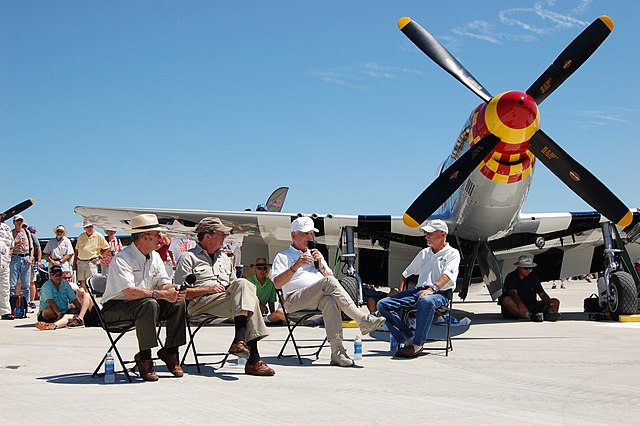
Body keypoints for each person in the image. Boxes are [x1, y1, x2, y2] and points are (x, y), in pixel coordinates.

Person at [272, 217, 386, 367]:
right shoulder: (283, 256)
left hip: (317, 299)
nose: (310, 237)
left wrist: (321, 265)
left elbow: (330, 281)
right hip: (294, 301)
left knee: (329, 300)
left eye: (311, 233)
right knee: (329, 283)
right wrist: (297, 265)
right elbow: (277, 283)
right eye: (306, 234)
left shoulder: (315, 254)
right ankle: (362, 320)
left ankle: (337, 351)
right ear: (294, 236)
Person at [175, 217, 275, 377]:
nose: (225, 238)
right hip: (200, 304)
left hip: (224, 301)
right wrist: (207, 289)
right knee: (250, 300)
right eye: (221, 234)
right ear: (207, 236)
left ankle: (240, 343)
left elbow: (236, 285)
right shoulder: (189, 258)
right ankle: (253, 359)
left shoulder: (225, 258)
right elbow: (179, 293)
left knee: (247, 294)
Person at [101, 214, 186, 382]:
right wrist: (161, 294)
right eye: (157, 235)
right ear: (145, 237)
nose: (161, 239)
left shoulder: (154, 257)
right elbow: (129, 292)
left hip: (143, 304)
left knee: (177, 302)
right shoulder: (123, 258)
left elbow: (162, 283)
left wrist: (174, 289)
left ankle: (170, 351)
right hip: (116, 308)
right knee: (149, 303)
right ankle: (145, 357)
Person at [377, 219, 461, 358]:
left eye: (430, 233)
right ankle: (407, 337)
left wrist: (432, 289)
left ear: (442, 234)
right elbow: (405, 274)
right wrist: (401, 293)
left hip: (439, 293)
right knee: (383, 305)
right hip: (419, 291)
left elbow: (447, 275)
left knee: (426, 301)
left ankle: (417, 345)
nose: (426, 236)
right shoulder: (424, 253)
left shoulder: (452, 253)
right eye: (425, 233)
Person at [499, 255, 561, 322]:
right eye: (526, 268)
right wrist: (520, 305)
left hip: (531, 305)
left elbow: (542, 294)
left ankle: (550, 314)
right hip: (516, 306)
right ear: (519, 267)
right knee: (506, 300)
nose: (528, 270)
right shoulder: (511, 277)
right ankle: (528, 315)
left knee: (555, 301)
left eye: (530, 268)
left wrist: (550, 304)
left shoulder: (533, 278)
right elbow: (513, 293)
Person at [34, 266, 96, 330]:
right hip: (52, 311)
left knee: (69, 314)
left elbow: (74, 300)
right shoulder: (46, 286)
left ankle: (54, 324)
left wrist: (81, 311)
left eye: (60, 275)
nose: (58, 277)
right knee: (48, 310)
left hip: (64, 311)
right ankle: (57, 322)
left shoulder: (65, 285)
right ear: (50, 275)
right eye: (55, 275)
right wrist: (58, 313)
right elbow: (50, 301)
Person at [73, 220, 109, 292]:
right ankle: (85, 300)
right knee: (82, 282)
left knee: (91, 283)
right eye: (87, 227)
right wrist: (74, 263)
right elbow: (76, 250)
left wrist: (99, 257)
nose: (89, 228)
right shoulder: (81, 236)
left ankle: (92, 301)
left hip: (91, 262)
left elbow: (107, 248)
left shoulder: (98, 235)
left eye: (90, 226)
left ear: (93, 226)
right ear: (84, 228)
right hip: (80, 261)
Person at [247, 258, 285, 323]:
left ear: (267, 270)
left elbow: (271, 302)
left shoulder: (270, 284)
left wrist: (274, 316)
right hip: (247, 311)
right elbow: (246, 299)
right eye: (259, 268)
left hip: (260, 314)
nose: (262, 271)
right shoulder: (248, 281)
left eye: (264, 268)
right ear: (255, 270)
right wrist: (260, 305)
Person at [10, 214, 33, 305]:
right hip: (15, 257)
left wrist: (31, 257)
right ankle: (12, 304)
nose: (19, 222)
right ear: (14, 222)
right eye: (17, 221)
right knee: (13, 283)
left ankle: (26, 304)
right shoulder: (11, 233)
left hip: (25, 257)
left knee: (26, 284)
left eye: (21, 220)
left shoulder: (27, 233)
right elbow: (9, 248)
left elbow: (32, 247)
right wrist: (16, 244)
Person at [0, 220, 14, 320]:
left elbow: (11, 244)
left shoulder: (6, 228)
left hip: (4, 262)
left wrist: (9, 255)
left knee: (5, 288)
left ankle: (5, 311)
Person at [27, 225, 41, 309]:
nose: (32, 233)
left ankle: (32, 301)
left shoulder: (33, 237)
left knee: (32, 281)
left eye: (33, 232)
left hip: (32, 261)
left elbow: (38, 248)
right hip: (25, 260)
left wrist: (38, 260)